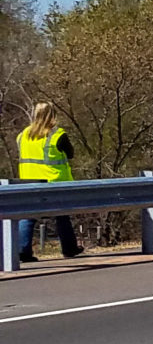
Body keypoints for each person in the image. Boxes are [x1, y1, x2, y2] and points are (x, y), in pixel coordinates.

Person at [14, 101, 82, 260]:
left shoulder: (23, 135)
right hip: (53, 181)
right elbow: (70, 153)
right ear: (52, 115)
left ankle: (23, 251)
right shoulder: (57, 134)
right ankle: (69, 248)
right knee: (62, 215)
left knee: (28, 216)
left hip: (28, 181)